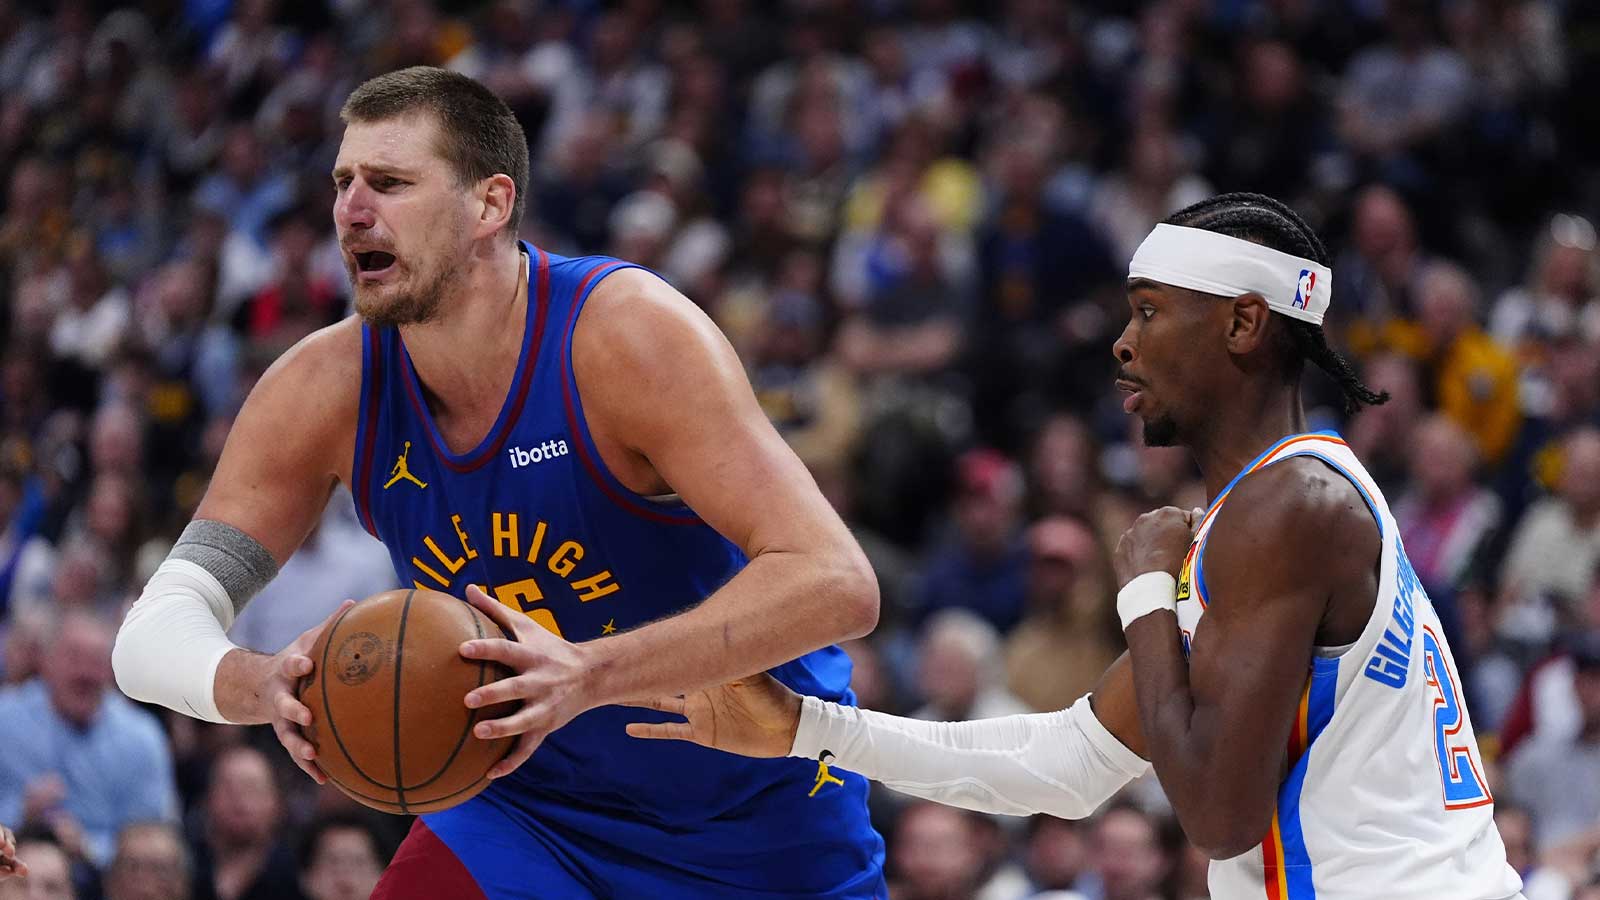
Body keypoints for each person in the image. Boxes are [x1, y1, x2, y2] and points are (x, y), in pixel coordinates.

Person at [111, 66, 883, 899]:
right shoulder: (323, 387)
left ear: (490, 204)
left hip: (754, 817)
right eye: (343, 181)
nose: (351, 209)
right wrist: (263, 684)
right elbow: (151, 632)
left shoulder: (624, 337)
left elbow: (835, 581)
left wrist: (587, 673)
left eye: (391, 182)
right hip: (522, 814)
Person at [627, 193, 1525, 899]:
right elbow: (1070, 767)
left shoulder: (1288, 507)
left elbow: (1217, 817)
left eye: (1150, 312)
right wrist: (803, 728)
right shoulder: (1290, 501)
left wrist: (1142, 596)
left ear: (1245, 324)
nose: (1123, 345)